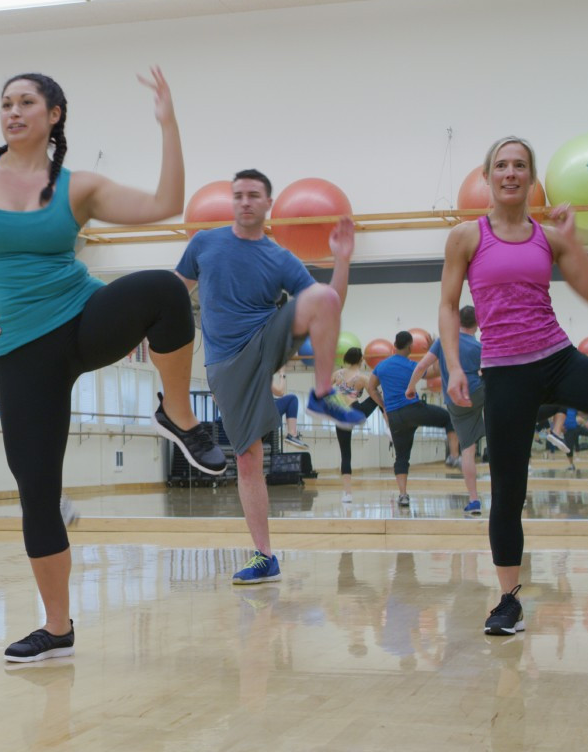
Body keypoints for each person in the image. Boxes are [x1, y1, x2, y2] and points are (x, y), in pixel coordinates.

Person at [0, 69, 229, 662]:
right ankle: (57, 628)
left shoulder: (76, 186)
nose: (13, 112)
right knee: (37, 493)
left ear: (54, 114)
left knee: (163, 288)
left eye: (26, 102)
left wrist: (168, 124)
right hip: (20, 351)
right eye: (5, 102)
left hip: (81, 319)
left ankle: (179, 417)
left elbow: (166, 205)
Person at [438, 136, 588, 638]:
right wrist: (453, 366)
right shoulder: (465, 238)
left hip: (557, 358)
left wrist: (573, 239)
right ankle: (508, 601)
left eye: (520, 166)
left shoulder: (549, 236)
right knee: (508, 490)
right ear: (488, 176)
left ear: (532, 179)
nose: (511, 173)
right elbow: (450, 306)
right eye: (501, 165)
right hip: (505, 371)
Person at [176, 168, 364, 584]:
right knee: (248, 458)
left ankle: (321, 392)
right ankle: (265, 556)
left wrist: (342, 260)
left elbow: (328, 304)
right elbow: (175, 288)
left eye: (253, 195)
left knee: (318, 294)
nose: (245, 201)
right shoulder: (204, 243)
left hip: (266, 339)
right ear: (232, 201)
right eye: (238, 194)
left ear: (268, 204)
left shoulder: (279, 257)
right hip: (225, 363)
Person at [407, 305, 485, 515]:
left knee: (467, 450)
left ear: (457, 322)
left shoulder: (444, 342)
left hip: (456, 400)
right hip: (479, 393)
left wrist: (411, 387)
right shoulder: (479, 347)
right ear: (477, 324)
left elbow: (421, 366)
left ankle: (474, 500)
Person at [366, 331, 456, 509]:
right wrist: (433, 349)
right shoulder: (411, 365)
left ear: (394, 344)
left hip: (394, 417)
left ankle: (403, 495)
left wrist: (384, 406)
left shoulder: (381, 366)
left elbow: (371, 388)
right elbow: (435, 371)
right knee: (448, 418)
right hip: (413, 411)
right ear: (409, 347)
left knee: (401, 457)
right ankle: (454, 456)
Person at [332, 346, 377, 504]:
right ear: (360, 360)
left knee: (346, 454)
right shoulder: (363, 378)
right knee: (377, 396)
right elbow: (375, 397)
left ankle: (347, 493)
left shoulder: (337, 374)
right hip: (355, 411)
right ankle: (384, 424)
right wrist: (386, 410)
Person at [272, 372, 307, 450]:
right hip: (262, 414)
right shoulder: (262, 370)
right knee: (292, 399)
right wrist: (282, 374)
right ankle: (292, 434)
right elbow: (280, 391)